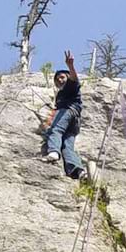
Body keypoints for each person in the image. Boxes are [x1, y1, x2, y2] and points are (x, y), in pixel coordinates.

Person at [42, 50, 87, 181]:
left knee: (55, 130)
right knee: (67, 146)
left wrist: (70, 66)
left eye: (62, 77)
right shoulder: (61, 94)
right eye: (57, 79)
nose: (60, 80)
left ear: (67, 77)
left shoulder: (70, 86)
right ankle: (78, 171)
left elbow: (74, 79)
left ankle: (54, 152)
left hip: (68, 111)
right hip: (74, 122)